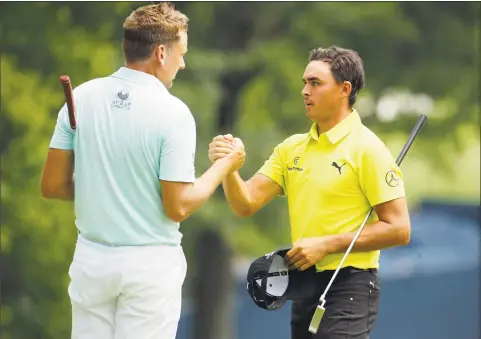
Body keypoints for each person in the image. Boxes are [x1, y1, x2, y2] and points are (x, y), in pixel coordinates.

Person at [40, 2, 245, 339]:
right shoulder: (173, 113)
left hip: (92, 262)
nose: (183, 62)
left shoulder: (81, 97)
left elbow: (52, 185)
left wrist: (104, 184)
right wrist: (224, 165)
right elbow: (177, 206)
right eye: (181, 52)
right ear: (161, 53)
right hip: (149, 268)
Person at [209, 46, 411, 339]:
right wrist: (228, 167)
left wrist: (327, 244)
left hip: (350, 284)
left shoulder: (368, 149)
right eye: (305, 82)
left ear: (344, 89)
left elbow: (400, 228)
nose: (305, 91)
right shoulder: (292, 148)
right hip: (303, 282)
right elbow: (245, 203)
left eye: (315, 83)